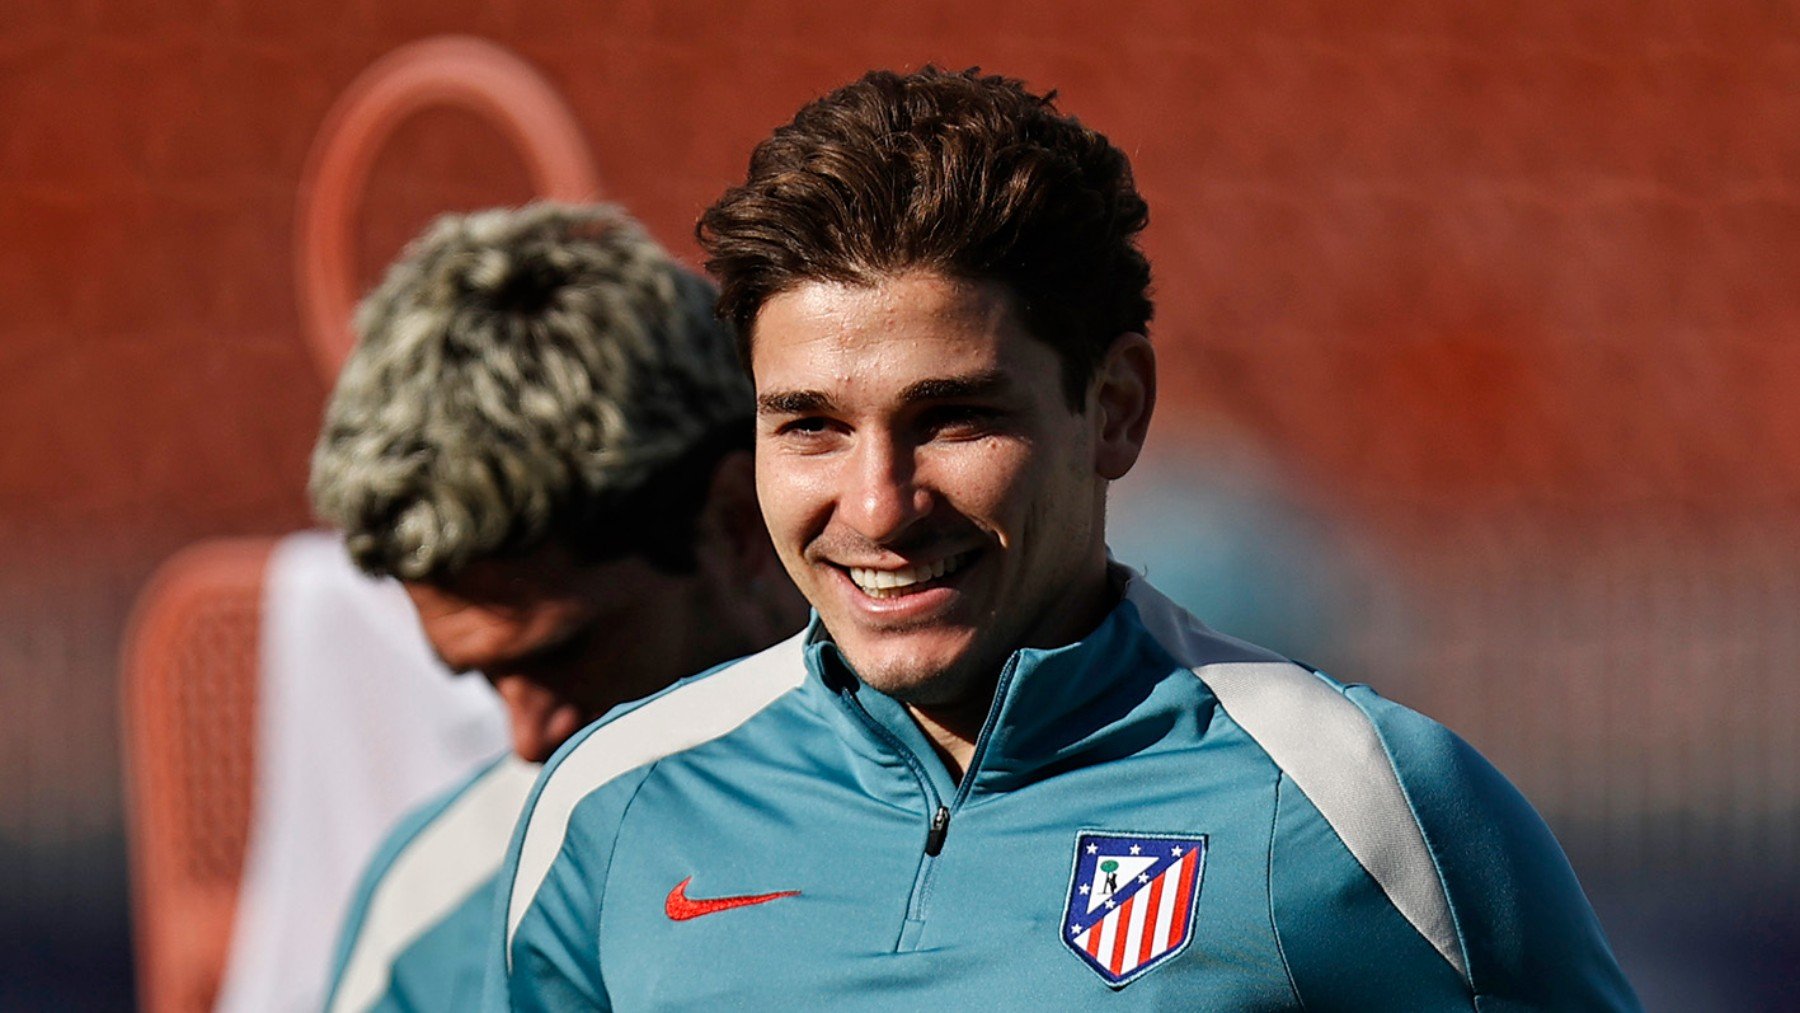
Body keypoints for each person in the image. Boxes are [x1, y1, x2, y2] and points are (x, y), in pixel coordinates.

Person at [488, 70, 1639, 1010]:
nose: (880, 506)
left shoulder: (1361, 804)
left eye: (955, 417)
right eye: (813, 426)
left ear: (1117, 407)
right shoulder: (616, 804)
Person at [309, 202, 805, 1012]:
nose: (527, 737)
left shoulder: (1047, 785)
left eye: (563, 655)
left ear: (734, 524)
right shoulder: (428, 916)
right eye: (482, 677)